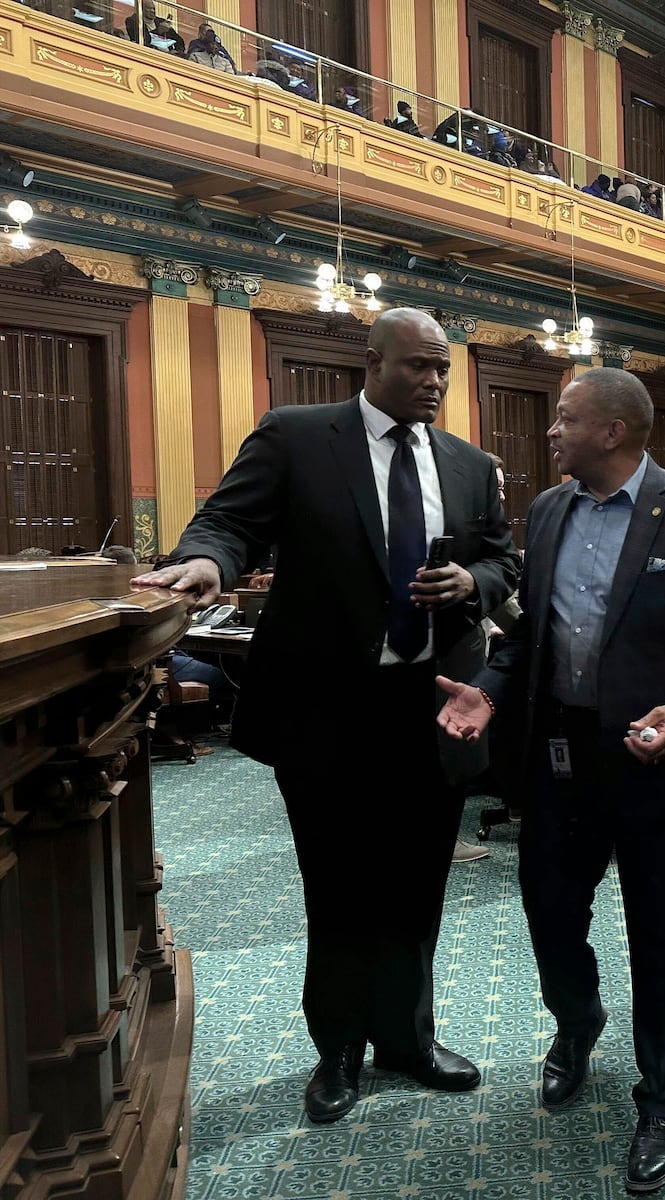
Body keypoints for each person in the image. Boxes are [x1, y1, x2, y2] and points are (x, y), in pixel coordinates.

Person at [130, 309, 520, 1124]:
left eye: (444, 370)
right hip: (328, 707)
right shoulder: (297, 435)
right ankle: (337, 1050)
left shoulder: (470, 463)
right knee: (338, 885)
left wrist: (473, 585)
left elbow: (498, 554)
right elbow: (229, 521)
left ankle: (408, 1040)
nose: (436, 383)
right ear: (373, 362)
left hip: (434, 706)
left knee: (417, 884)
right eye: (420, 367)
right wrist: (205, 560)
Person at [436, 368, 665, 1192]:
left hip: (654, 762)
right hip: (557, 759)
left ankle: (664, 1098)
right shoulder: (548, 513)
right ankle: (577, 1023)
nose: (551, 431)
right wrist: (491, 688)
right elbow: (527, 638)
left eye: (565, 419)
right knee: (549, 913)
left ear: (613, 431)